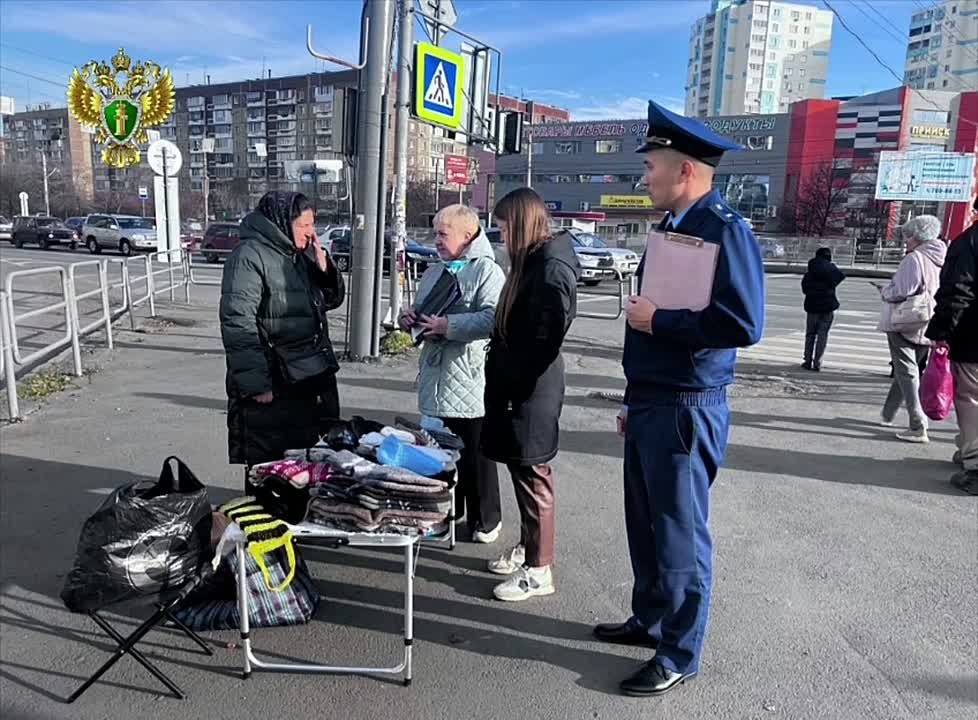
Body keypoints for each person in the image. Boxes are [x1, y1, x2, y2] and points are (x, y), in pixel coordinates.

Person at [593, 100, 764, 697]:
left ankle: (680, 652)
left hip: (689, 406)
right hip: (653, 401)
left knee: (680, 534)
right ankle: (653, 619)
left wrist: (661, 322)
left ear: (685, 170)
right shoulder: (673, 228)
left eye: (652, 166)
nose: (645, 178)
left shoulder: (724, 229)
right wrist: (632, 397)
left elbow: (743, 323)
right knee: (645, 523)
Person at [480, 188, 580, 602]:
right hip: (520, 385)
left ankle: (539, 570)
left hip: (529, 388)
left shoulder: (550, 267)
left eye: (503, 227)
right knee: (523, 471)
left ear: (520, 224)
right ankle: (529, 549)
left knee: (533, 475)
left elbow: (545, 340)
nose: (500, 234)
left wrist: (514, 388)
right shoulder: (534, 260)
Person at [399, 205, 506, 541]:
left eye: (443, 233)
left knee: (475, 456)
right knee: (437, 455)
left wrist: (449, 325)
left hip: (468, 375)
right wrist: (410, 319)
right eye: (436, 233)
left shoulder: (487, 272)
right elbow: (422, 309)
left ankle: (485, 520)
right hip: (434, 376)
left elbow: (492, 319)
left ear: (467, 234)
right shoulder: (436, 270)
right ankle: (446, 515)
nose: (437, 240)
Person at [220, 191, 345, 479]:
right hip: (273, 382)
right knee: (269, 466)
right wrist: (256, 384)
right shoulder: (249, 257)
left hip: (305, 377)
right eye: (304, 225)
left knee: (300, 465)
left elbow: (326, 301)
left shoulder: (297, 256)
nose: (311, 232)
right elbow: (238, 323)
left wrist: (323, 269)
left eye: (312, 225)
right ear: (280, 223)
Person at [877, 215, 946, 444]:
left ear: (916, 237)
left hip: (905, 320)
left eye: (908, 236)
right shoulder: (940, 257)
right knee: (909, 369)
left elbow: (903, 290)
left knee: (907, 372)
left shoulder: (914, 258)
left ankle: (918, 424)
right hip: (928, 320)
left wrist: (885, 291)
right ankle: (888, 413)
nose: (906, 241)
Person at [925, 204, 978, 494]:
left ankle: (975, 464)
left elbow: (958, 291)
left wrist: (941, 331)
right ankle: (968, 449)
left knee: (971, 398)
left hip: (973, 338)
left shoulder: (969, 242)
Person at [800, 247, 845, 371]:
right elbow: (840, 276)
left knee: (810, 334)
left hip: (812, 306)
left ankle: (807, 361)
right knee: (822, 335)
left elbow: (804, 289)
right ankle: (818, 363)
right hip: (828, 307)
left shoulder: (810, 271)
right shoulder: (831, 270)